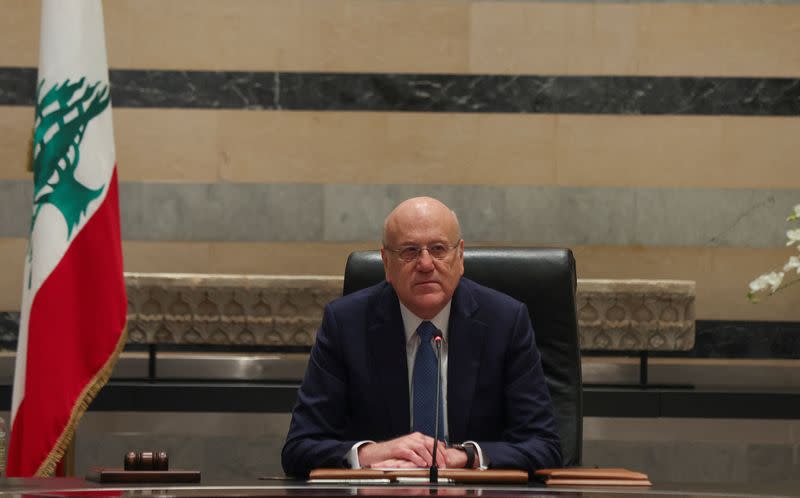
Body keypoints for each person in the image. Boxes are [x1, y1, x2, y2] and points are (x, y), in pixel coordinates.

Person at [281, 197, 561, 478]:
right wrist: (371, 453)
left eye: (439, 249)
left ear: (460, 257)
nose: (426, 263)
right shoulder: (345, 324)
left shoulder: (505, 322)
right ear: (386, 263)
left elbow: (544, 446)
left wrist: (465, 456)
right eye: (410, 251)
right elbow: (299, 447)